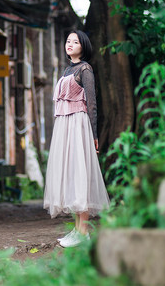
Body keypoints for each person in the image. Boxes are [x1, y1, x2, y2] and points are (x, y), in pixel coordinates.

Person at [43, 29, 110, 247]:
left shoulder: (85, 69)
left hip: (79, 124)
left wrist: (93, 134)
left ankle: (83, 233)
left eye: (75, 41)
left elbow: (92, 103)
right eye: (68, 40)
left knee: (80, 174)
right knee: (70, 174)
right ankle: (77, 230)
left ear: (84, 46)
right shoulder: (66, 71)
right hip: (64, 125)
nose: (70, 44)